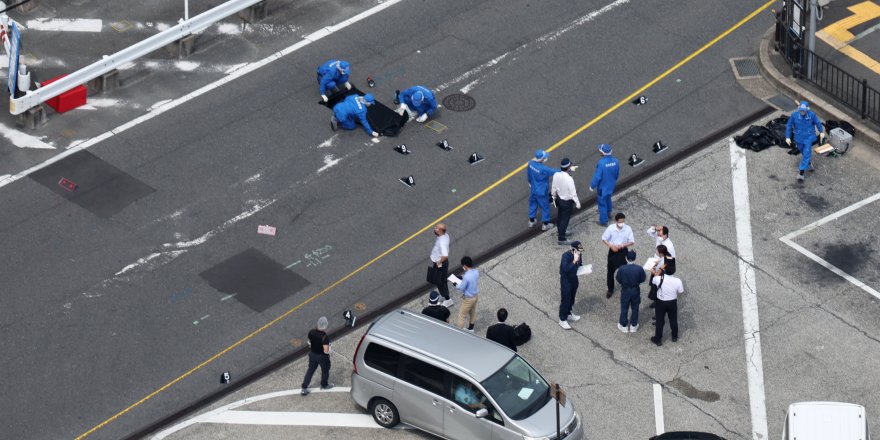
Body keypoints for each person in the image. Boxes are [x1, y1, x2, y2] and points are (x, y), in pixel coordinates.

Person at [785, 100, 825, 183]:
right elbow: (789, 125)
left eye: (804, 111)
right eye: (801, 110)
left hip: (808, 138)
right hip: (798, 138)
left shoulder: (812, 115)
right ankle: (809, 163)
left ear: (807, 109)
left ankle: (801, 173)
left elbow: (818, 123)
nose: (802, 112)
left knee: (806, 153)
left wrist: (821, 132)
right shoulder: (794, 115)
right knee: (803, 151)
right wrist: (787, 137)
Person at [601, 212, 634, 299]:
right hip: (613, 251)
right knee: (610, 272)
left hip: (623, 251)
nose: (621, 224)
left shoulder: (628, 228)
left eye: (623, 222)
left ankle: (625, 287)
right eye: (620, 222)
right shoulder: (611, 228)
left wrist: (622, 245)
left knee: (624, 271)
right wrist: (611, 246)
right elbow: (604, 239)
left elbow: (631, 241)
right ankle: (610, 289)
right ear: (616, 221)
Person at [650, 268, 684, 346]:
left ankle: (658, 339)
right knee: (673, 320)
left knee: (659, 321)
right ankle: (674, 336)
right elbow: (681, 292)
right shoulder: (678, 281)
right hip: (672, 302)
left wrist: (654, 273)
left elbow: (653, 281)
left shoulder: (658, 279)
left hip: (660, 302)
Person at [527, 149, 560, 231]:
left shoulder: (530, 164)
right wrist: (567, 170)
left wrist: (530, 182)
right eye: (545, 157)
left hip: (533, 189)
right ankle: (546, 224)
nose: (546, 158)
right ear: (541, 159)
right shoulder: (543, 169)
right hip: (541, 191)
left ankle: (531, 221)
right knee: (545, 207)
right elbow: (555, 172)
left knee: (533, 204)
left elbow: (529, 174)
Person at [551, 158, 581, 245]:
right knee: (565, 220)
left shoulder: (556, 175)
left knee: (560, 216)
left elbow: (554, 187)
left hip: (559, 199)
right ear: (568, 167)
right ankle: (562, 238)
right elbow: (573, 193)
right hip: (567, 202)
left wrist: (553, 196)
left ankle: (560, 230)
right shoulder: (569, 179)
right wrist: (578, 203)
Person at [301, 316, 334, 395]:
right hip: (322, 357)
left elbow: (310, 342)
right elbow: (326, 350)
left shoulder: (311, 332)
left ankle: (304, 387)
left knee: (310, 370)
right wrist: (330, 349)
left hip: (312, 354)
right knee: (325, 370)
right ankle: (324, 385)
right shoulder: (324, 337)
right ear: (325, 326)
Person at [589, 143, 620, 226]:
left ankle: (604, 221)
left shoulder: (601, 163)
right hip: (611, 186)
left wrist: (592, 186)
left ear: (602, 153)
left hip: (602, 188)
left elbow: (597, 177)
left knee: (602, 203)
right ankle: (609, 213)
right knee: (608, 199)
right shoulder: (616, 161)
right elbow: (616, 175)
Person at [616, 250, 646, 333]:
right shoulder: (639, 269)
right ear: (635, 258)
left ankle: (624, 325)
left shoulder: (622, 268)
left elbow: (618, 279)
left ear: (626, 258)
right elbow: (643, 279)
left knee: (624, 307)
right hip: (635, 290)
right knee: (635, 307)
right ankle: (633, 325)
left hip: (625, 290)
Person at [558, 241, 583, 330]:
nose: (579, 252)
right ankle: (562, 319)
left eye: (580, 250)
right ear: (572, 249)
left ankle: (568, 313)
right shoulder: (565, 256)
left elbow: (580, 265)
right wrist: (574, 261)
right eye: (578, 251)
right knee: (566, 299)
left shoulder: (579, 254)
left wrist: (584, 269)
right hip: (566, 280)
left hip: (574, 279)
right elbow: (566, 269)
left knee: (572, 298)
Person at [429, 223, 453, 308]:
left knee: (440, 282)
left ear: (440, 231)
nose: (434, 229)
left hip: (440, 263)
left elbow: (445, 256)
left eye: (436, 228)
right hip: (440, 262)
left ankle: (448, 300)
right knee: (441, 280)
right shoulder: (445, 235)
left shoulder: (442, 242)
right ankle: (445, 296)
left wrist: (438, 262)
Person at [455, 256, 479, 332]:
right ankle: (471, 328)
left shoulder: (466, 277)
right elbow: (471, 280)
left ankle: (460, 331)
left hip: (468, 299)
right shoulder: (476, 272)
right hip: (475, 296)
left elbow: (461, 287)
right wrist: (462, 278)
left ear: (465, 266)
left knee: (462, 315)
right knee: (473, 312)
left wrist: (456, 284)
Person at [648, 244, 675, 311]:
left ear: (661, 253)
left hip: (661, 278)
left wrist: (651, 269)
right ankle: (656, 301)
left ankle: (658, 304)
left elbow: (657, 274)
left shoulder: (664, 263)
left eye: (657, 251)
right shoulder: (667, 255)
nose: (655, 252)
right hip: (659, 272)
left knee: (657, 290)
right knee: (654, 289)